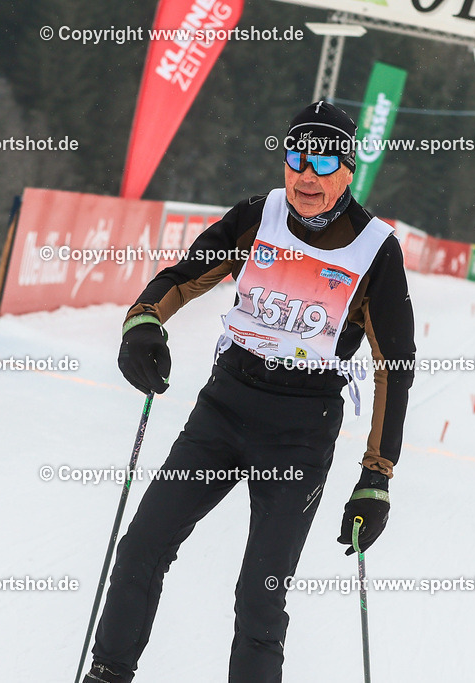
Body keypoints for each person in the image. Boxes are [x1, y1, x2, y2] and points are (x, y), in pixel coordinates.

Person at [85, 102, 416, 683]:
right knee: (141, 548)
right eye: (295, 157)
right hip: (225, 407)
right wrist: (142, 324)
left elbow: (396, 366)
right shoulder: (257, 215)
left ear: (347, 169)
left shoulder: (375, 251)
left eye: (321, 159)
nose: (305, 176)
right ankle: (108, 674)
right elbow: (184, 277)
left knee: (259, 596)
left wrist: (376, 476)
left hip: (301, 430)